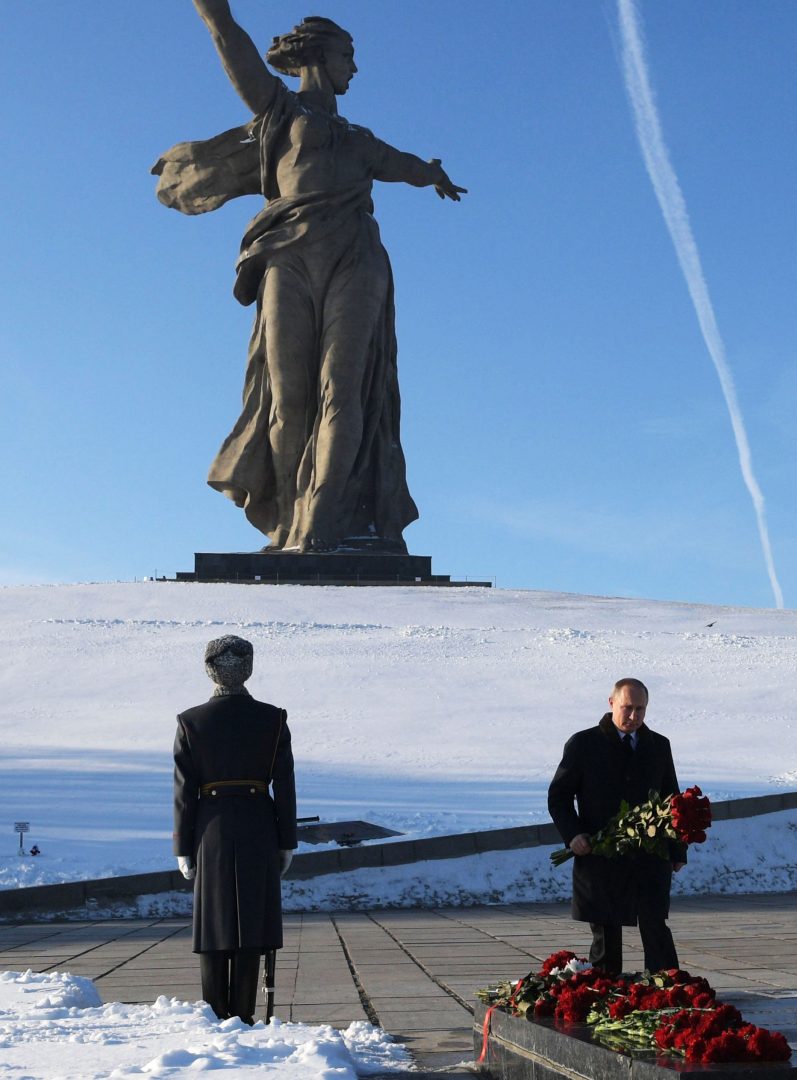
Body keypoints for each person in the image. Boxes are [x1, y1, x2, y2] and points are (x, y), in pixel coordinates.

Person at [160, 2, 466, 554]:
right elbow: (237, 51)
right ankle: (288, 521)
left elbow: (401, 164)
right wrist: (215, 14)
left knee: (343, 391)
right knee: (288, 398)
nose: (355, 68)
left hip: (355, 257)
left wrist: (431, 174)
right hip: (287, 256)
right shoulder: (281, 112)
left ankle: (322, 524)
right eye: (349, 56)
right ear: (321, 57)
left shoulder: (360, 139)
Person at [173, 635, 298, 1022]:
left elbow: (184, 790)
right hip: (259, 826)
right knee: (251, 928)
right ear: (249, 668)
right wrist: (286, 841)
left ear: (208, 668)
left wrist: (182, 846)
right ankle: (243, 1018)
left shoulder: (191, 721)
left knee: (213, 927)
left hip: (210, 831)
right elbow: (286, 785)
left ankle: (214, 1019)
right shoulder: (273, 719)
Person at [547, 678, 684, 974]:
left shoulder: (659, 746)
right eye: (627, 708)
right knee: (606, 935)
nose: (634, 716)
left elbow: (671, 799)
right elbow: (559, 796)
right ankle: (607, 998)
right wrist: (573, 835)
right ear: (611, 704)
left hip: (649, 854)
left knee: (655, 926)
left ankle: (668, 993)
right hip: (601, 855)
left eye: (640, 709)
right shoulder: (583, 744)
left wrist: (677, 849)